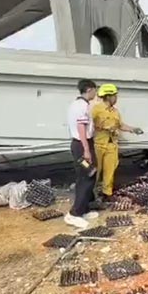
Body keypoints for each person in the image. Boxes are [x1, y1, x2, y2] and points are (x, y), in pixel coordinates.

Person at [91, 83, 143, 199]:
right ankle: (90, 194)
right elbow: (89, 125)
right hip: (98, 145)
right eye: (114, 96)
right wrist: (102, 127)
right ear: (108, 96)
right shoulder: (96, 109)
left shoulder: (115, 111)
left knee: (110, 171)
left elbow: (120, 125)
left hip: (111, 145)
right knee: (95, 171)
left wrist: (133, 129)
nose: (116, 98)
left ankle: (107, 194)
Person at [65, 79, 100, 229]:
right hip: (82, 145)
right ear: (89, 90)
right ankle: (74, 214)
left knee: (87, 176)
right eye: (95, 90)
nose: (96, 93)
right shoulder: (82, 106)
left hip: (81, 144)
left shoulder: (77, 104)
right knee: (87, 177)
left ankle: (84, 209)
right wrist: (86, 150)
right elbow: (81, 128)